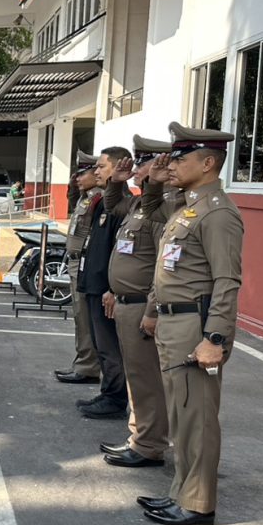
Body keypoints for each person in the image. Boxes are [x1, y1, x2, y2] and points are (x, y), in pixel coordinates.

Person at [138, 122, 242, 525]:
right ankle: (181, 492)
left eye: (181, 159)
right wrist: (156, 181)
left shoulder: (218, 213)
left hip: (195, 327)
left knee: (197, 418)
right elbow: (151, 211)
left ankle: (198, 504)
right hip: (173, 323)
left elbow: (227, 280)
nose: (173, 165)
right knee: (181, 416)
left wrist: (215, 337)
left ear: (208, 163)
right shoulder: (188, 207)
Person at [98, 135, 171, 469]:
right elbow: (112, 206)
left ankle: (149, 444)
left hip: (142, 304)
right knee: (136, 379)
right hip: (125, 302)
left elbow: (160, 266)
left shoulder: (162, 209)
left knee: (147, 380)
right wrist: (117, 181)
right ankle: (139, 438)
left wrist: (152, 310)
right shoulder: (139, 205)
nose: (136, 168)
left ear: (160, 166)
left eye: (142, 163)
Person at [76, 146, 133, 419]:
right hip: (93, 283)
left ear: (118, 168)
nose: (95, 171)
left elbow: (120, 251)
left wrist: (112, 288)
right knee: (101, 346)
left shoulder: (123, 204)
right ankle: (107, 391)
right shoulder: (102, 201)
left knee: (110, 347)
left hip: (105, 288)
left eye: (101, 166)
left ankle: (114, 399)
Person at [54, 153, 103, 384]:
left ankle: (88, 367)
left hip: (85, 263)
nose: (78, 179)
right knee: (79, 317)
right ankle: (83, 362)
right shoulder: (85, 198)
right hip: (76, 262)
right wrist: (73, 182)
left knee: (85, 318)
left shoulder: (99, 198)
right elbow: (72, 198)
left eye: (82, 174)